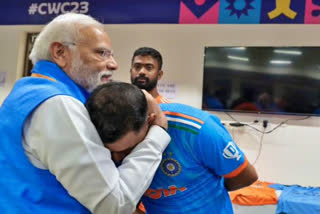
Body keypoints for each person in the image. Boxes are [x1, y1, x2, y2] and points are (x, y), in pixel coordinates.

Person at [0, 13, 171, 214]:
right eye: (102, 53)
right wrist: (157, 134)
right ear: (60, 52)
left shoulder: (25, 90)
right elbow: (114, 203)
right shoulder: (58, 104)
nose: (114, 64)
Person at [87, 82, 259, 214]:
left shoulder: (197, 130)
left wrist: (204, 194)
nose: (117, 159)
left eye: (128, 150)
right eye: (111, 151)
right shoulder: (94, 141)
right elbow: (120, 202)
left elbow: (246, 176)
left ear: (150, 122)